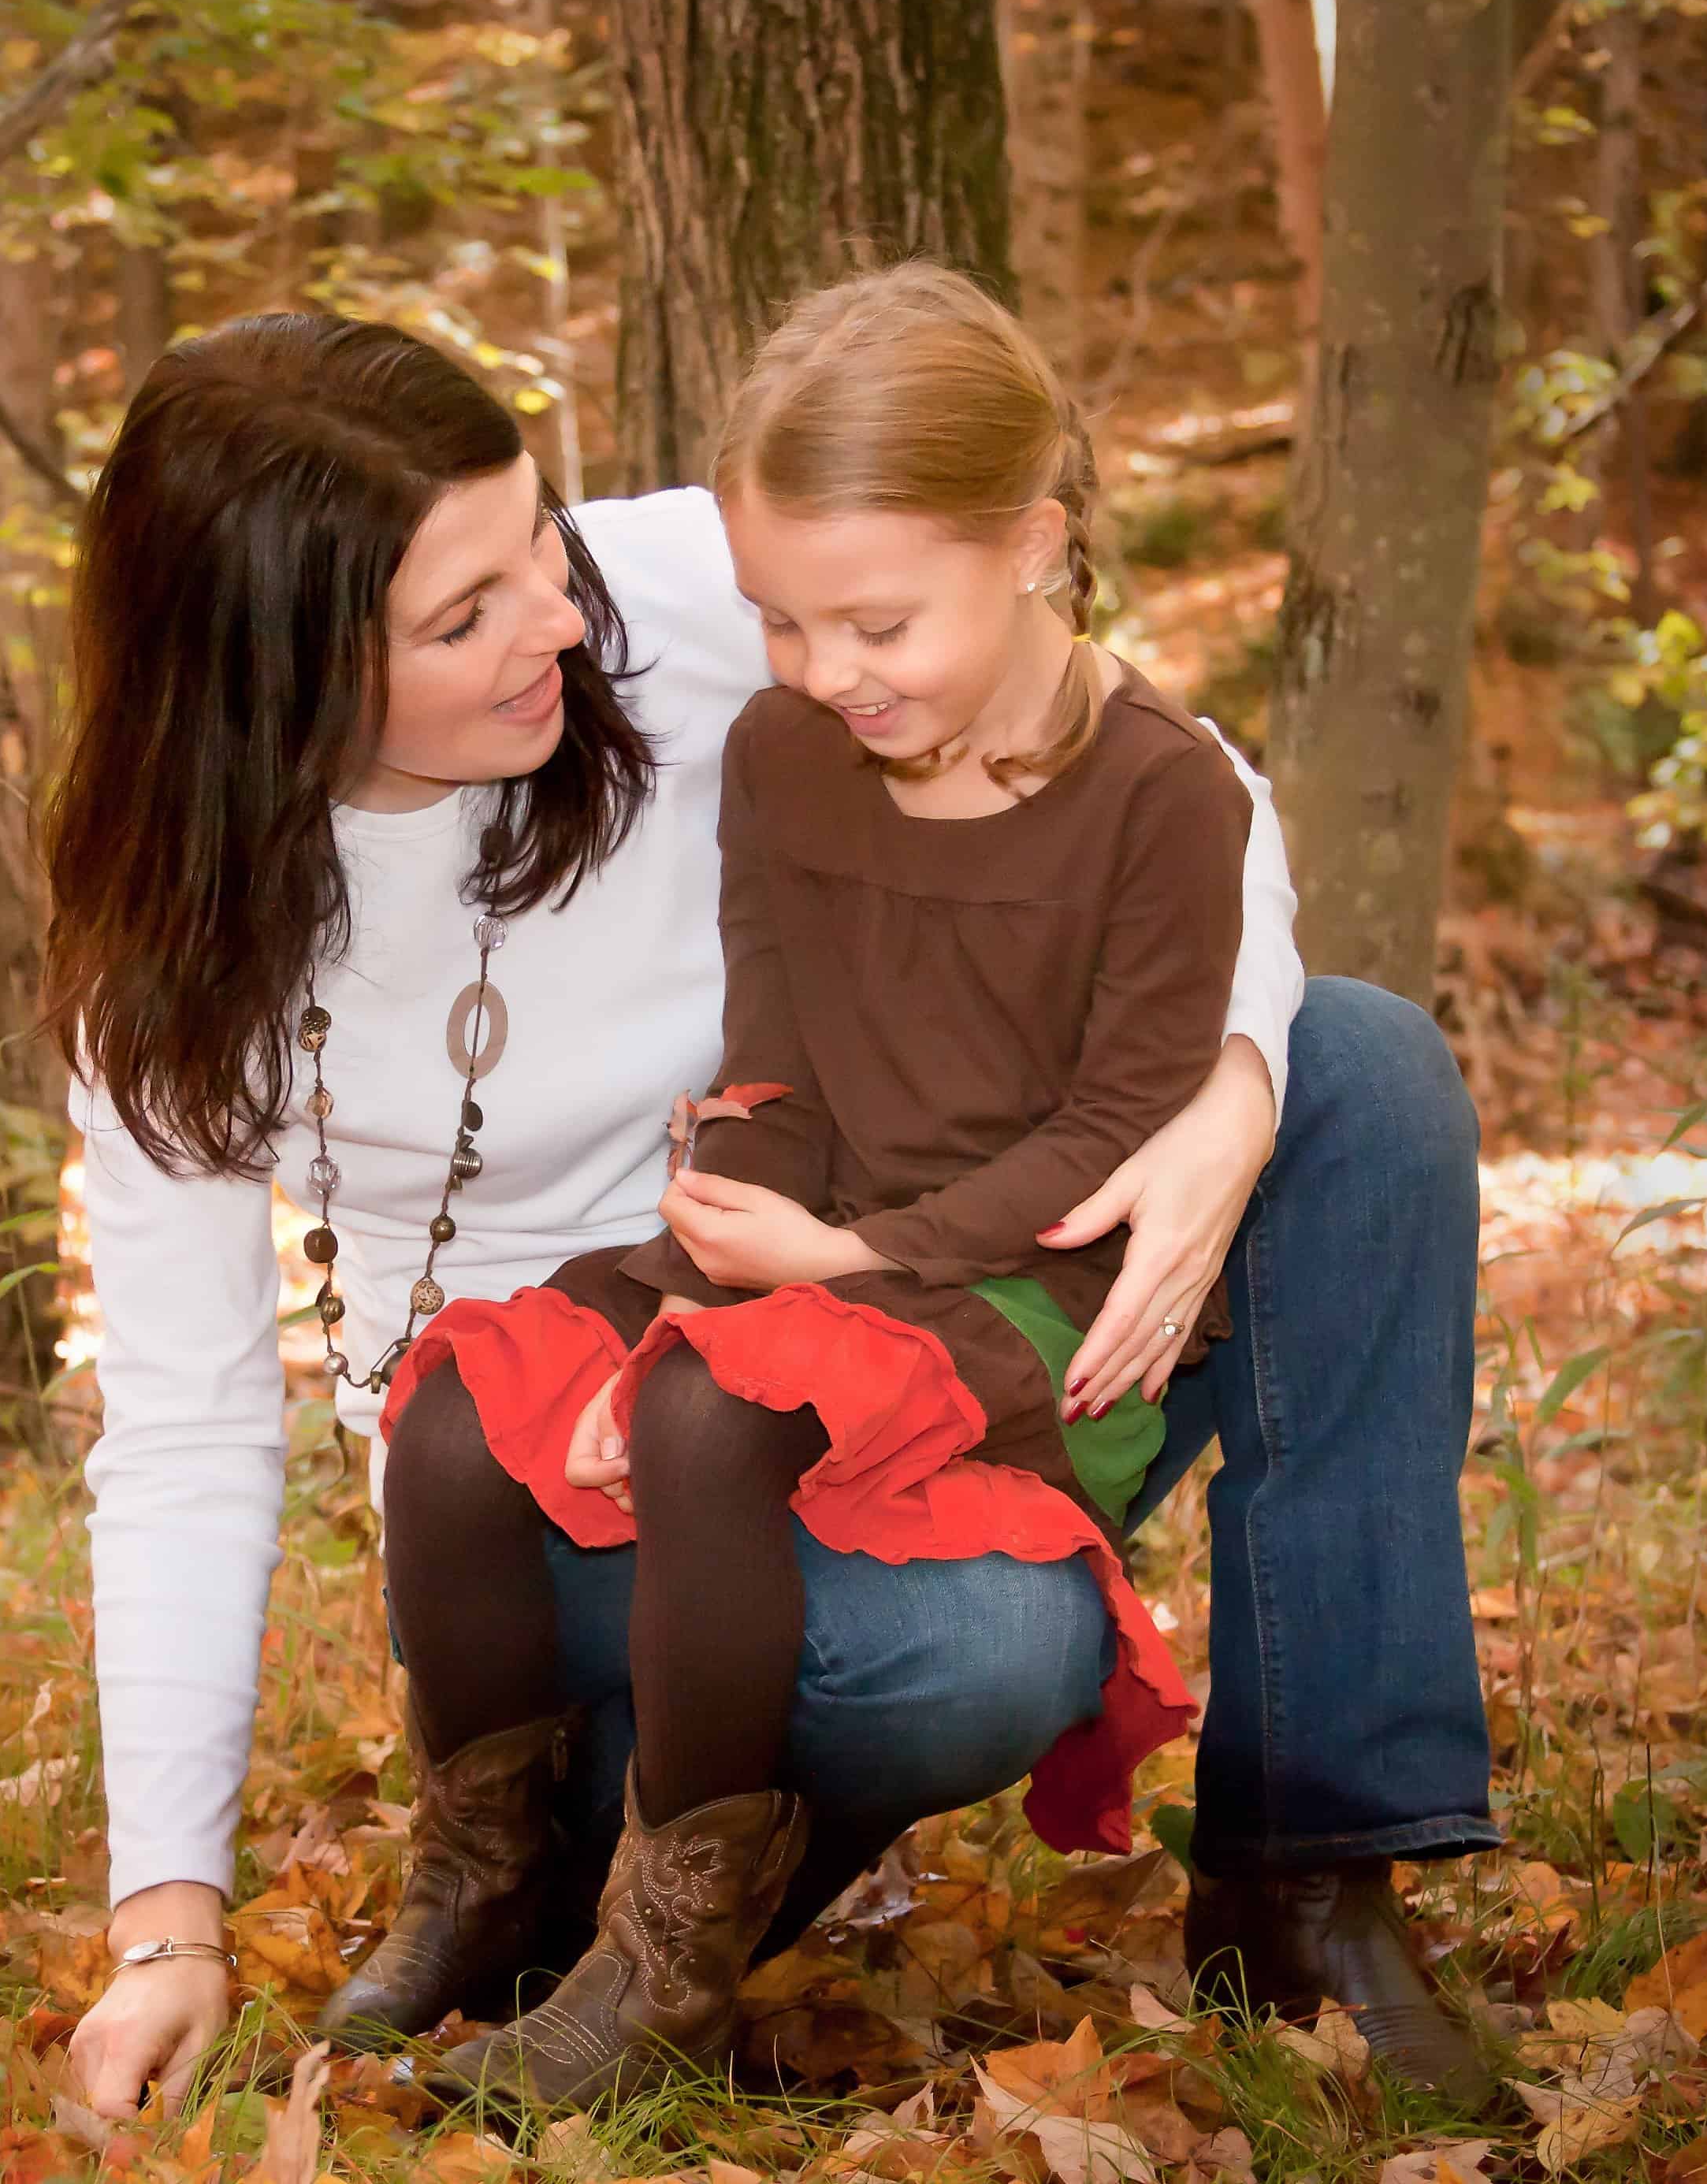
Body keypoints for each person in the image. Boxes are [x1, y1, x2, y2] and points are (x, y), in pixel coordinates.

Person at [46, 300, 1496, 2123]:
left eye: (541, 546)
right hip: (563, 1496)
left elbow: (1181, 776)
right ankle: (600, 1844)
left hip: (881, 1301)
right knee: (983, 1650)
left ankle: (1308, 1880)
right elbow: (182, 1433)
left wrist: (1233, 1088)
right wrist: (165, 1916)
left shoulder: (712, 593)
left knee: (1358, 1066)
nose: (559, 625)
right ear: (278, 676)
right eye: (462, 615)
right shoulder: (177, 962)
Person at [351, 262, 1255, 2106]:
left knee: (706, 1403)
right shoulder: (786, 754)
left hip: (1033, 1284)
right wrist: (715, 1257)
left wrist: (831, 1265)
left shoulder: (1165, 794)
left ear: (1035, 545)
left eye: (875, 625)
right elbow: (767, 1063)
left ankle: (660, 1971)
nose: (826, 675)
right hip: (818, 1250)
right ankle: (485, 1876)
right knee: (460, 1399)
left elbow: (1117, 1129)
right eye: (779, 621)